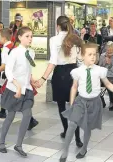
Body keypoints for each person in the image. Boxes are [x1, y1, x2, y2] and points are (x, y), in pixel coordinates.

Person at [59, 43, 113, 162]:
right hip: (80, 101)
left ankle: (84, 149)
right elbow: (74, 87)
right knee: (72, 124)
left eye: (95, 54)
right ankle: (65, 150)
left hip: (94, 102)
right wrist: (72, 103)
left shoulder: (100, 70)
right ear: (82, 56)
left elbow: (108, 84)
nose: (93, 57)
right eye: (90, 54)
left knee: (87, 128)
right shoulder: (77, 71)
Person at [35, 16, 83, 148]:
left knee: (61, 106)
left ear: (57, 26)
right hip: (73, 73)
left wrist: (43, 78)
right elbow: (80, 58)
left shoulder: (53, 40)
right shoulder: (75, 38)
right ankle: (78, 138)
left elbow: (53, 61)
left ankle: (66, 130)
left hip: (60, 75)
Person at [0, 28, 38, 130]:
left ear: (3, 37)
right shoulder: (14, 46)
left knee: (10, 97)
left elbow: (5, 66)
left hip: (12, 79)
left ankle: (9, 114)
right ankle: (28, 118)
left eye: (0, 37)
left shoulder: (7, 49)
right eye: (27, 36)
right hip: (19, 79)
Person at [0, 26, 36, 156]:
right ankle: (1, 141)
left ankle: (18, 145)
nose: (30, 39)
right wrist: (17, 85)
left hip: (27, 90)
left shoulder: (31, 53)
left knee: (27, 115)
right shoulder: (14, 52)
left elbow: (28, 70)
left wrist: (33, 79)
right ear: (19, 37)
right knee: (10, 116)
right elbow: (8, 71)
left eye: (31, 36)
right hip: (14, 89)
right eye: (27, 36)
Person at [99, 41, 113, 111]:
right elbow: (99, 67)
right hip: (103, 75)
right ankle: (100, 100)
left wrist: (110, 65)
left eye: (111, 50)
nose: (108, 52)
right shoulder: (102, 56)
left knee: (110, 81)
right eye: (107, 50)